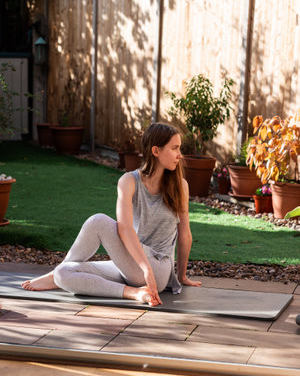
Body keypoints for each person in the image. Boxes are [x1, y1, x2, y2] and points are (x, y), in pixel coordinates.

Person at [22, 122, 201, 306]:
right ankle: (134, 293)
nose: (180, 154)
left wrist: (181, 276)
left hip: (158, 270)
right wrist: (143, 268)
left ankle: (53, 276)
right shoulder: (129, 181)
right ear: (156, 151)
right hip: (135, 265)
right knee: (64, 274)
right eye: (174, 148)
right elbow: (125, 229)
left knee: (98, 221)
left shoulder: (181, 186)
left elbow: (185, 234)